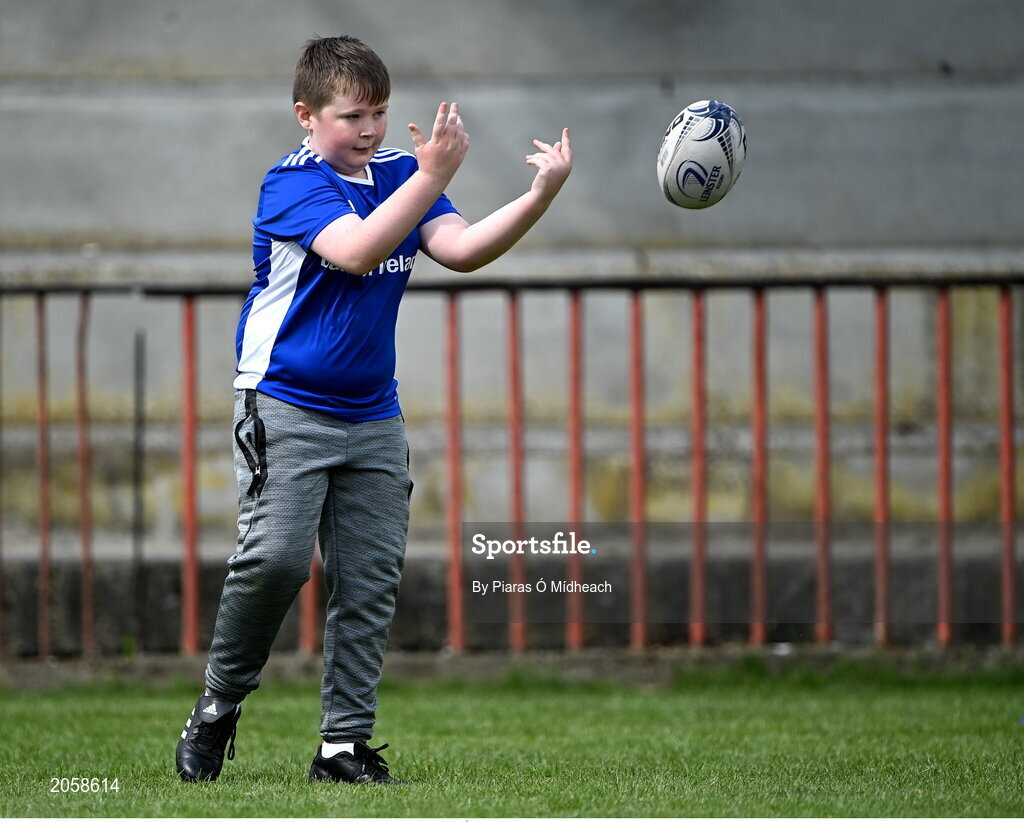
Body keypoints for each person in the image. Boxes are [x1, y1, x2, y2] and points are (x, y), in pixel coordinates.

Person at [174, 34, 572, 785]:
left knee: (369, 578)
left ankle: (341, 747)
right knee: (277, 560)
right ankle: (219, 705)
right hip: (283, 404)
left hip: (373, 416)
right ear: (307, 115)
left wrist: (538, 195)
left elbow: (459, 249)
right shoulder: (290, 184)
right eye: (354, 115)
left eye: (381, 112)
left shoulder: (400, 173)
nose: (371, 130)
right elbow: (356, 250)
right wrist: (431, 177)